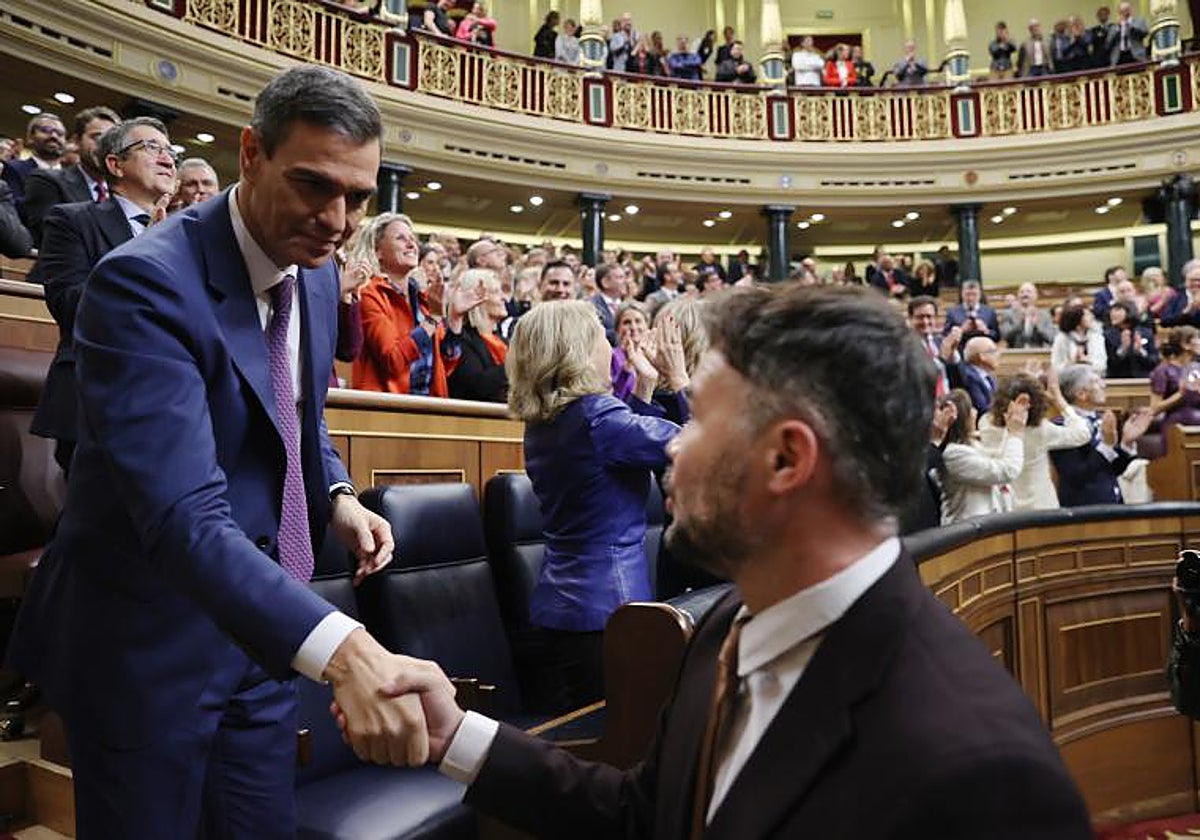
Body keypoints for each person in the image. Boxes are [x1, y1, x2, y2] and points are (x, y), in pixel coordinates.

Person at [346, 285, 1092, 839]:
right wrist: (456, 737)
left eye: (699, 417)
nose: (675, 444)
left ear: (785, 458)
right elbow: (646, 818)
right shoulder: (725, 627)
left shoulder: (985, 775)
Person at [8, 66, 437, 838]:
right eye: (313, 185)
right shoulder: (142, 284)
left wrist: (335, 492)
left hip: (261, 633)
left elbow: (297, 416)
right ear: (250, 154)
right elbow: (183, 518)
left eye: (359, 199)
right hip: (146, 644)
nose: (337, 220)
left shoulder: (312, 269)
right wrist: (346, 651)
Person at [505, 300, 679, 713]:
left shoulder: (547, 421)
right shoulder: (598, 418)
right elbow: (695, 445)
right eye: (603, 336)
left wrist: (644, 387)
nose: (611, 345)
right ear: (579, 350)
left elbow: (618, 450)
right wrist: (682, 380)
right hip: (609, 614)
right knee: (626, 744)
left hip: (561, 609)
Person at [28, 117, 178, 475]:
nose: (168, 159)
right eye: (152, 148)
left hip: (170, 403)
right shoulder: (72, 220)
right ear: (115, 164)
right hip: (96, 399)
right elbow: (70, 306)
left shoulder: (185, 235)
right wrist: (144, 251)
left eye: (171, 152)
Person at [351, 212, 478, 396]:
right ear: (377, 250)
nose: (411, 244)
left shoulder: (423, 298)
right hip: (385, 411)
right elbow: (393, 360)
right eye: (401, 238)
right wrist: (433, 319)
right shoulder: (370, 294)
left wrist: (456, 318)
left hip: (428, 409)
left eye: (412, 239)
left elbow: (446, 363)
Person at [979, 371, 1091, 510]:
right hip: (1041, 507)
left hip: (1005, 508)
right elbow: (1083, 433)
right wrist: (1059, 400)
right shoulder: (1041, 430)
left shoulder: (985, 423)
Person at [1050, 364, 1153, 506]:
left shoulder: (1100, 420)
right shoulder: (1061, 426)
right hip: (1085, 510)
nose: (1103, 385)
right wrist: (1106, 446)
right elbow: (1076, 476)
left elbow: (1113, 469)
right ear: (1081, 394)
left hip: (1112, 503)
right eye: (1096, 381)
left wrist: (1126, 443)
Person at [23, 106, 120, 246]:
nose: (104, 146)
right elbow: (52, 237)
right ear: (76, 141)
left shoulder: (122, 192)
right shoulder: (47, 180)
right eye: (97, 137)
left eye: (112, 140)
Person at [938, 387, 1026, 523]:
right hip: (966, 533)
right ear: (962, 418)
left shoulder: (971, 445)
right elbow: (1007, 471)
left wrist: (1010, 429)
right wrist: (1015, 434)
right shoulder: (954, 454)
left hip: (985, 526)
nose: (975, 412)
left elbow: (999, 459)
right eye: (970, 409)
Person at [447, 268, 508, 404]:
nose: (505, 298)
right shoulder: (460, 340)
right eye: (496, 292)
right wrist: (516, 364)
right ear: (476, 297)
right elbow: (476, 386)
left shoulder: (504, 342)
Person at [1149, 326, 1200, 434]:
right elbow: (1154, 409)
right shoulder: (1163, 371)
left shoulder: (1196, 368)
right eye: (1197, 338)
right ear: (1185, 345)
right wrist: (1181, 393)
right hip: (1176, 425)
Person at [1103, 301, 1158, 379]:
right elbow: (1110, 363)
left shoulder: (1146, 333)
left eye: (1118, 309)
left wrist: (1140, 351)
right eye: (1112, 310)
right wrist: (1123, 349)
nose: (1112, 313)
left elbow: (1155, 361)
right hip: (1118, 381)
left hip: (1143, 380)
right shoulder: (1108, 335)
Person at [1051, 303, 1106, 375]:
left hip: (1093, 377)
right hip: (1068, 378)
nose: (1092, 317)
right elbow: (1055, 365)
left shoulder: (1097, 337)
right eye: (1087, 315)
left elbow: (1102, 364)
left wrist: (1087, 362)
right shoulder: (1061, 338)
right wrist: (1072, 364)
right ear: (1077, 318)